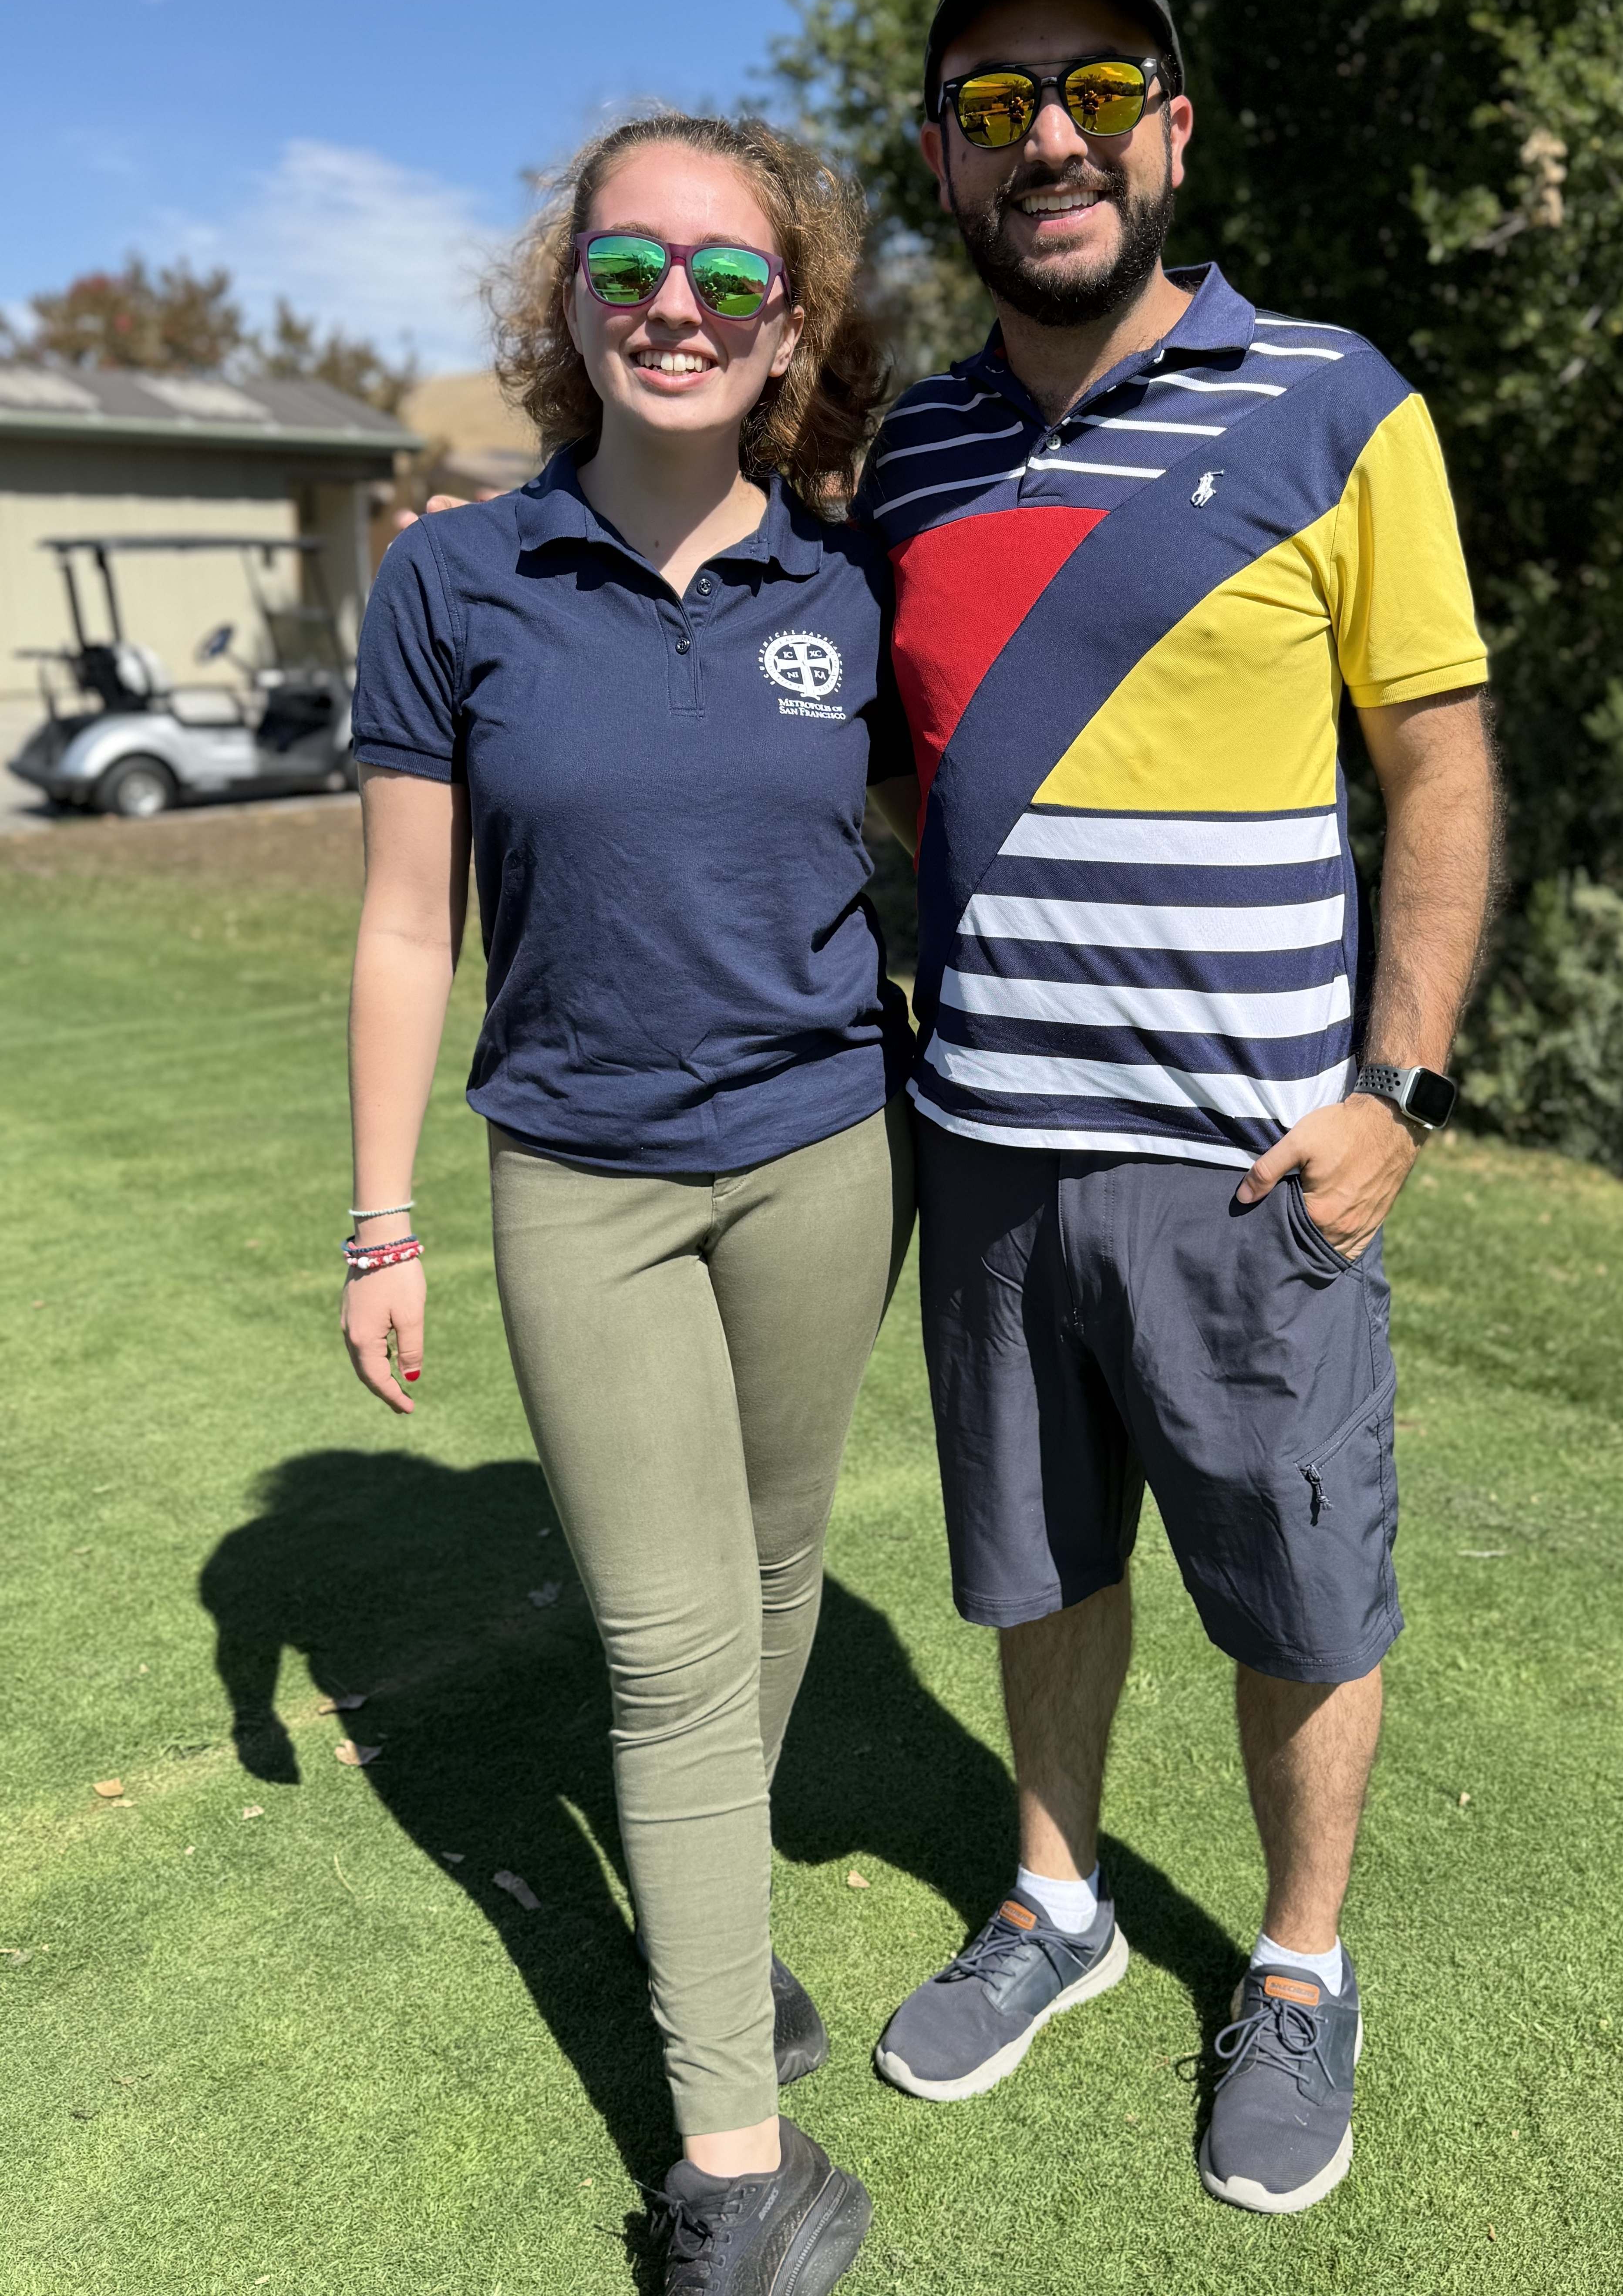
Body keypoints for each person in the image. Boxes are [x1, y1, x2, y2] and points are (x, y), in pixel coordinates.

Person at [861, 0, 1500, 2214]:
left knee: (1300, 1597)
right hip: (988, 1158)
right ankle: (1057, 1903)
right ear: (946, 160)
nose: (1050, 136)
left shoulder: (1336, 400)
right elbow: (892, 781)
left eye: (1098, 88)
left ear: (1175, 133)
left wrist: (1396, 1091)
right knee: (1036, 1568)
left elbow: (1436, 765)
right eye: (996, 102)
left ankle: (1301, 1970)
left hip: (1251, 1174)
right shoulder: (909, 454)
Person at [339, 111, 916, 2296]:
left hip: (826, 1164)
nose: (679, 304)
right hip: (581, 1182)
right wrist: (380, 1220)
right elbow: (410, 923)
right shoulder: (456, 578)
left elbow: (952, 827)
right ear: (568, 298)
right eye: (631, 264)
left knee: (771, 1578)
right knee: (672, 1653)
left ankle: (714, 1941)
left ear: (791, 325)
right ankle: (737, 2184)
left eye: (732, 275)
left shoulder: (849, 582)